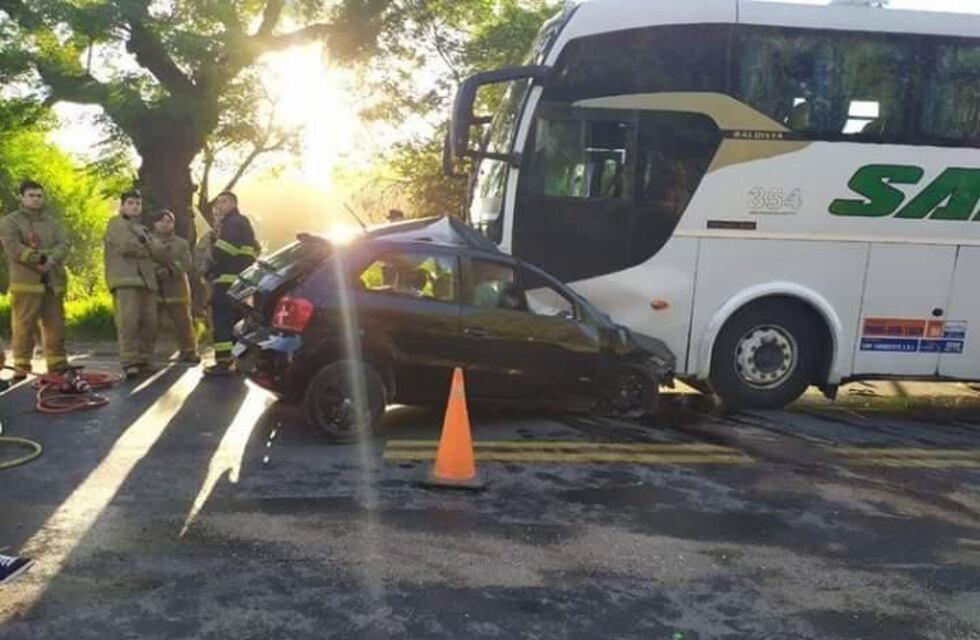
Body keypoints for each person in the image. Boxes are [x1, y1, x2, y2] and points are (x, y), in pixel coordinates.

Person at [0, 180, 70, 379]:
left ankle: (57, 365)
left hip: (52, 283)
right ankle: (21, 366)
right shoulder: (10, 221)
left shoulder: (53, 223)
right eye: (31, 195)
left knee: (55, 325)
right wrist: (39, 259)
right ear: (21, 197)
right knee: (24, 326)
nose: (36, 199)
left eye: (39, 195)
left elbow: (64, 244)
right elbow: (13, 248)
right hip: (25, 283)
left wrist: (51, 260)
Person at [103, 190, 165, 379]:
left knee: (150, 323)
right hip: (125, 280)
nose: (135, 206)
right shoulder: (115, 223)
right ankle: (130, 362)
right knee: (128, 322)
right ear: (122, 206)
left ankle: (145, 359)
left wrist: (146, 244)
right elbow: (126, 245)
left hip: (147, 282)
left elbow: (161, 253)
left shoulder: (143, 229)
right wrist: (147, 246)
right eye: (130, 203)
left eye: (138, 203)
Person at [205, 191, 258, 377]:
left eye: (225, 202)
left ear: (234, 204)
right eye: (218, 203)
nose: (220, 206)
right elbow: (255, 250)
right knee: (237, 323)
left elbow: (224, 251)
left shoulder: (232, 223)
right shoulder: (242, 223)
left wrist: (211, 256)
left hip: (226, 283)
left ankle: (223, 362)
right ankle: (239, 361)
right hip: (240, 283)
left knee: (221, 322)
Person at [151, 210, 199, 364]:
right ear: (155, 223)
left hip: (177, 288)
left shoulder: (181, 243)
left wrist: (170, 270)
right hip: (153, 288)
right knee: (149, 322)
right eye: (162, 221)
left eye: (169, 221)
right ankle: (146, 354)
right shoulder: (147, 241)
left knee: (183, 321)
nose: (165, 224)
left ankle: (189, 351)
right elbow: (143, 261)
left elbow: (187, 263)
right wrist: (155, 269)